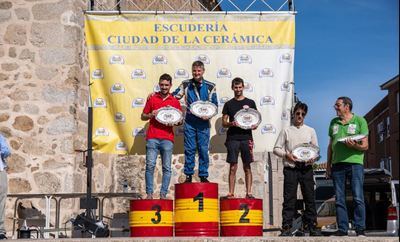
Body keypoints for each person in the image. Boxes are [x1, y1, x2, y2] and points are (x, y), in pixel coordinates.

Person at [273, 102, 319, 236]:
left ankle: (312, 226)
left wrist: (313, 158)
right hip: (291, 168)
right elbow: (276, 149)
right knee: (289, 199)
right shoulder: (286, 130)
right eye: (298, 113)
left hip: (306, 168)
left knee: (309, 198)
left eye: (303, 114)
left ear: (305, 115)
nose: (300, 116)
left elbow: (315, 150)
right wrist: (286, 155)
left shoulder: (311, 131)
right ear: (293, 114)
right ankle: (286, 227)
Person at [327, 96, 368, 236]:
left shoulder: (360, 121)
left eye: (337, 105)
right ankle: (342, 229)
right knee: (339, 198)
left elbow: (365, 146)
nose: (335, 107)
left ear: (347, 106)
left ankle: (360, 229)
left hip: (355, 164)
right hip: (337, 165)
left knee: (358, 196)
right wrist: (328, 166)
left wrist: (354, 145)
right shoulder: (334, 122)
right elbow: (330, 146)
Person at [173, 61, 218, 183]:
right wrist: (157, 95)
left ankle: (203, 175)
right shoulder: (186, 84)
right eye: (194, 71)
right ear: (192, 71)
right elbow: (173, 96)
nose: (196, 73)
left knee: (203, 149)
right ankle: (188, 175)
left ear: (203, 71)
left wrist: (208, 116)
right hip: (190, 122)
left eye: (199, 71)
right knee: (190, 149)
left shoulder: (210, 86)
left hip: (203, 123)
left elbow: (215, 105)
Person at [141, 73, 182, 199]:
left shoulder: (175, 101)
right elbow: (143, 116)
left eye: (166, 85)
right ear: (159, 84)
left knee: (167, 168)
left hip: (167, 138)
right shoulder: (152, 98)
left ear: (170, 86)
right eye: (162, 85)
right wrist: (151, 115)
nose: (164, 87)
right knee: (150, 166)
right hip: (152, 137)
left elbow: (180, 121)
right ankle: (149, 194)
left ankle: (163, 194)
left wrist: (177, 121)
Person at [221, 77, 258, 199]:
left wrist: (254, 125)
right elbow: (224, 122)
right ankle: (231, 193)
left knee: (247, 166)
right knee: (233, 167)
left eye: (240, 87)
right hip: (232, 138)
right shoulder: (228, 104)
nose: (238, 89)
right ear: (232, 88)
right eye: (235, 87)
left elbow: (255, 121)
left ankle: (249, 193)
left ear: (243, 87)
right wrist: (232, 123)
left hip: (247, 138)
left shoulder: (251, 103)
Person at [0, 134, 10, 239]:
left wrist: (2, 151)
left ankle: (0, 230)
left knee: (1, 199)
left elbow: (7, 151)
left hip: (0, 171)